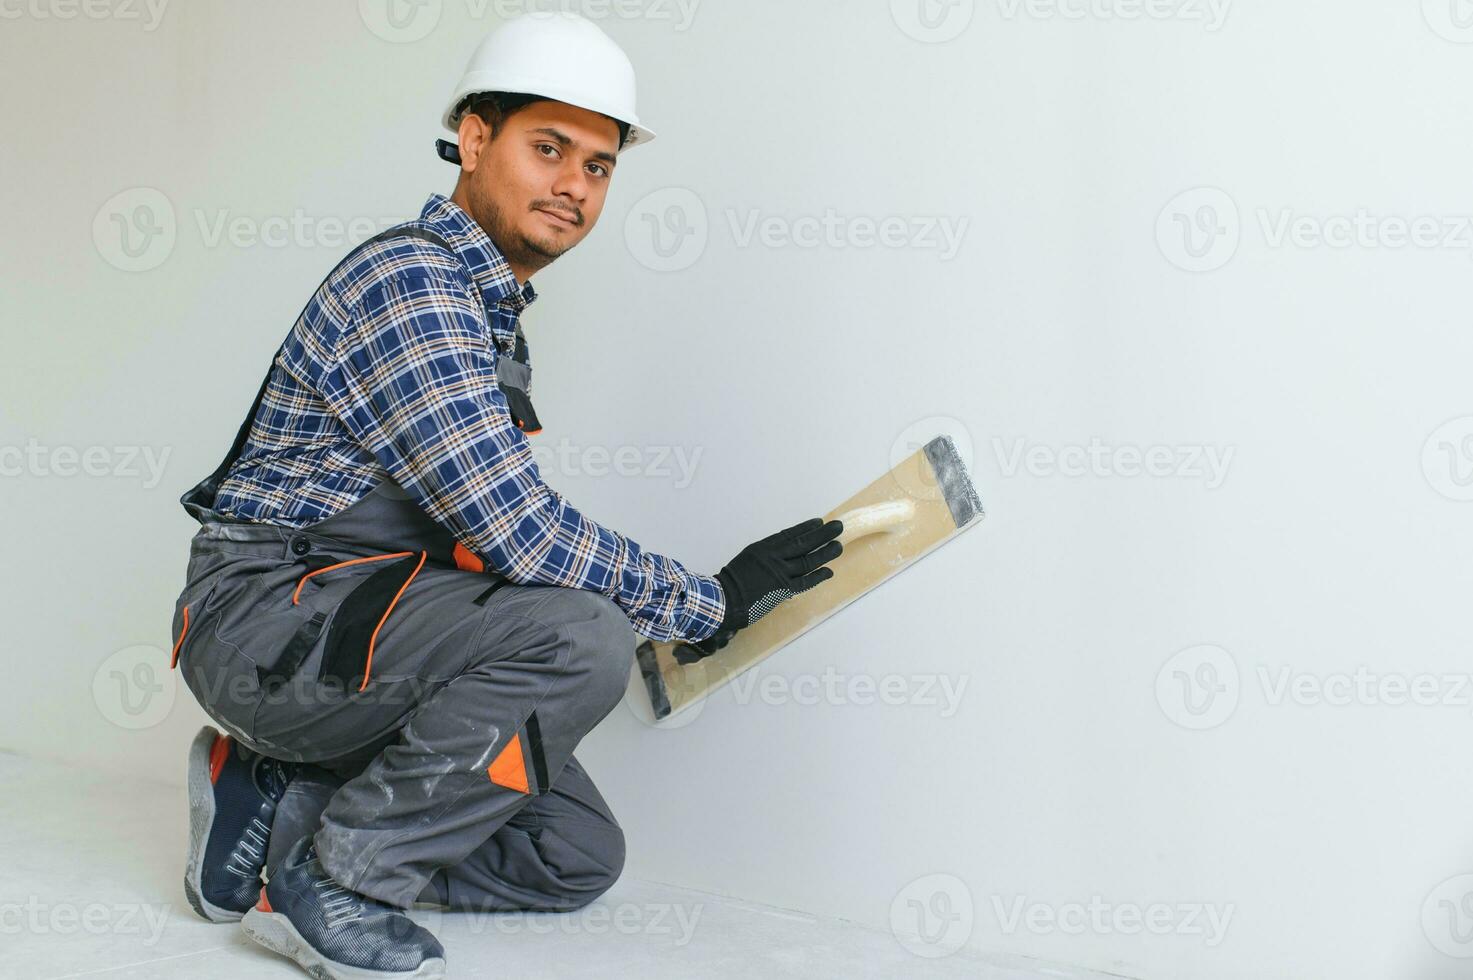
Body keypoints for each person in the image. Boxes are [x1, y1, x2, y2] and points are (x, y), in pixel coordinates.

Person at [166, 12, 843, 980]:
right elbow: (518, 532)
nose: (575, 184)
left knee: (571, 852)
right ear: (475, 138)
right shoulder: (413, 282)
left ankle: (274, 803)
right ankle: (339, 882)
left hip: (349, 626)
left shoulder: (487, 318)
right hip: (262, 622)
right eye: (550, 147)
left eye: (600, 165)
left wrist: (671, 605)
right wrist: (710, 600)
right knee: (581, 634)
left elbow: (485, 546)